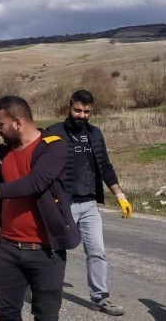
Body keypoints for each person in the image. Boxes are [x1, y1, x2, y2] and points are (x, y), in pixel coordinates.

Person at [0, 96, 81, 320]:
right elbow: (3, 196)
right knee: (7, 314)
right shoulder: (3, 153)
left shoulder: (54, 146)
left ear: (17, 122)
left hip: (46, 252)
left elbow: (36, 182)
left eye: (0, 123)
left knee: (45, 316)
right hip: (8, 249)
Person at [46, 89, 132, 316]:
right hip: (63, 205)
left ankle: (100, 298)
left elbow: (105, 166)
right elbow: (41, 169)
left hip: (90, 204)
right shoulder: (53, 132)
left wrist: (120, 196)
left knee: (97, 252)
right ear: (69, 107)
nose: (82, 115)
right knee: (57, 251)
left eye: (87, 111)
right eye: (78, 110)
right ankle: (48, 294)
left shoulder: (95, 134)